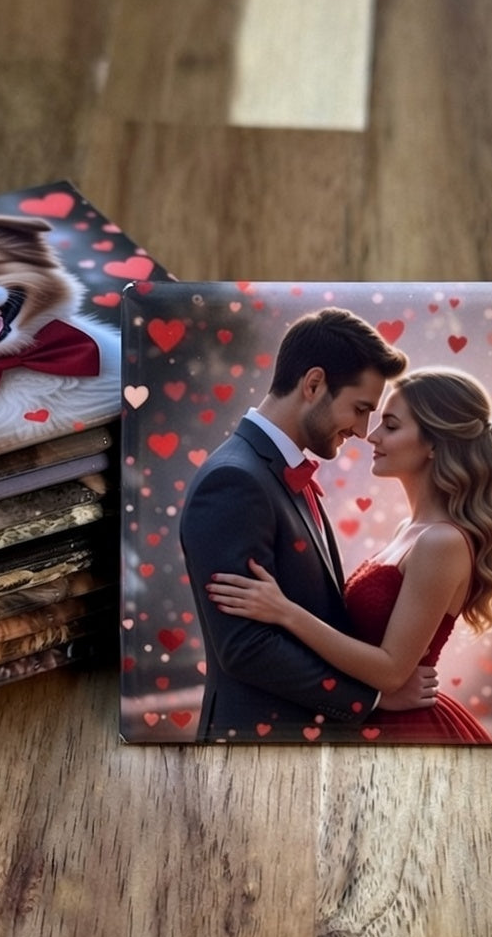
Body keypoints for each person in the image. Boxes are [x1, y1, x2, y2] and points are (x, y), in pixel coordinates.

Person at [206, 367, 492, 744]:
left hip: (406, 729)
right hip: (373, 718)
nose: (372, 435)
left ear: (435, 443)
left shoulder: (442, 542)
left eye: (391, 426)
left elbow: (391, 671)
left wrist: (285, 612)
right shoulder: (409, 530)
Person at [179, 308, 438, 743]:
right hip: (258, 745)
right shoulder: (235, 480)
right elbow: (245, 647)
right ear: (314, 384)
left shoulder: (277, 471)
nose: (362, 431)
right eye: (360, 409)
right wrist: (372, 698)